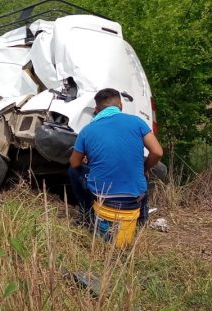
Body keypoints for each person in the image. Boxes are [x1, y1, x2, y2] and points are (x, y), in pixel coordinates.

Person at [68, 88, 164, 226]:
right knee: (140, 174)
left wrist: (90, 157)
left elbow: (74, 163)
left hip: (104, 198)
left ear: (96, 109)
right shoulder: (137, 122)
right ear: (120, 105)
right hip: (134, 198)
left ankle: (88, 215)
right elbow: (157, 152)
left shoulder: (87, 130)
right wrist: (145, 168)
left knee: (72, 172)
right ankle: (141, 220)